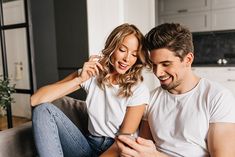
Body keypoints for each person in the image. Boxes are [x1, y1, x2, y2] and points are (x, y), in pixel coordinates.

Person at [31, 23, 151, 157]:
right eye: (122, 50)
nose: (127, 59)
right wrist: (79, 79)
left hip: (114, 150)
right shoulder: (92, 74)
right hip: (88, 144)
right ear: (112, 48)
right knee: (43, 109)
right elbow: (36, 99)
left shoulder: (139, 89)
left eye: (134, 54)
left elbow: (123, 142)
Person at [117, 23, 235, 157]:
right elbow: (144, 148)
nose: (158, 72)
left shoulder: (217, 97)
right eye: (154, 65)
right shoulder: (150, 99)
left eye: (166, 64)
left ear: (188, 59)